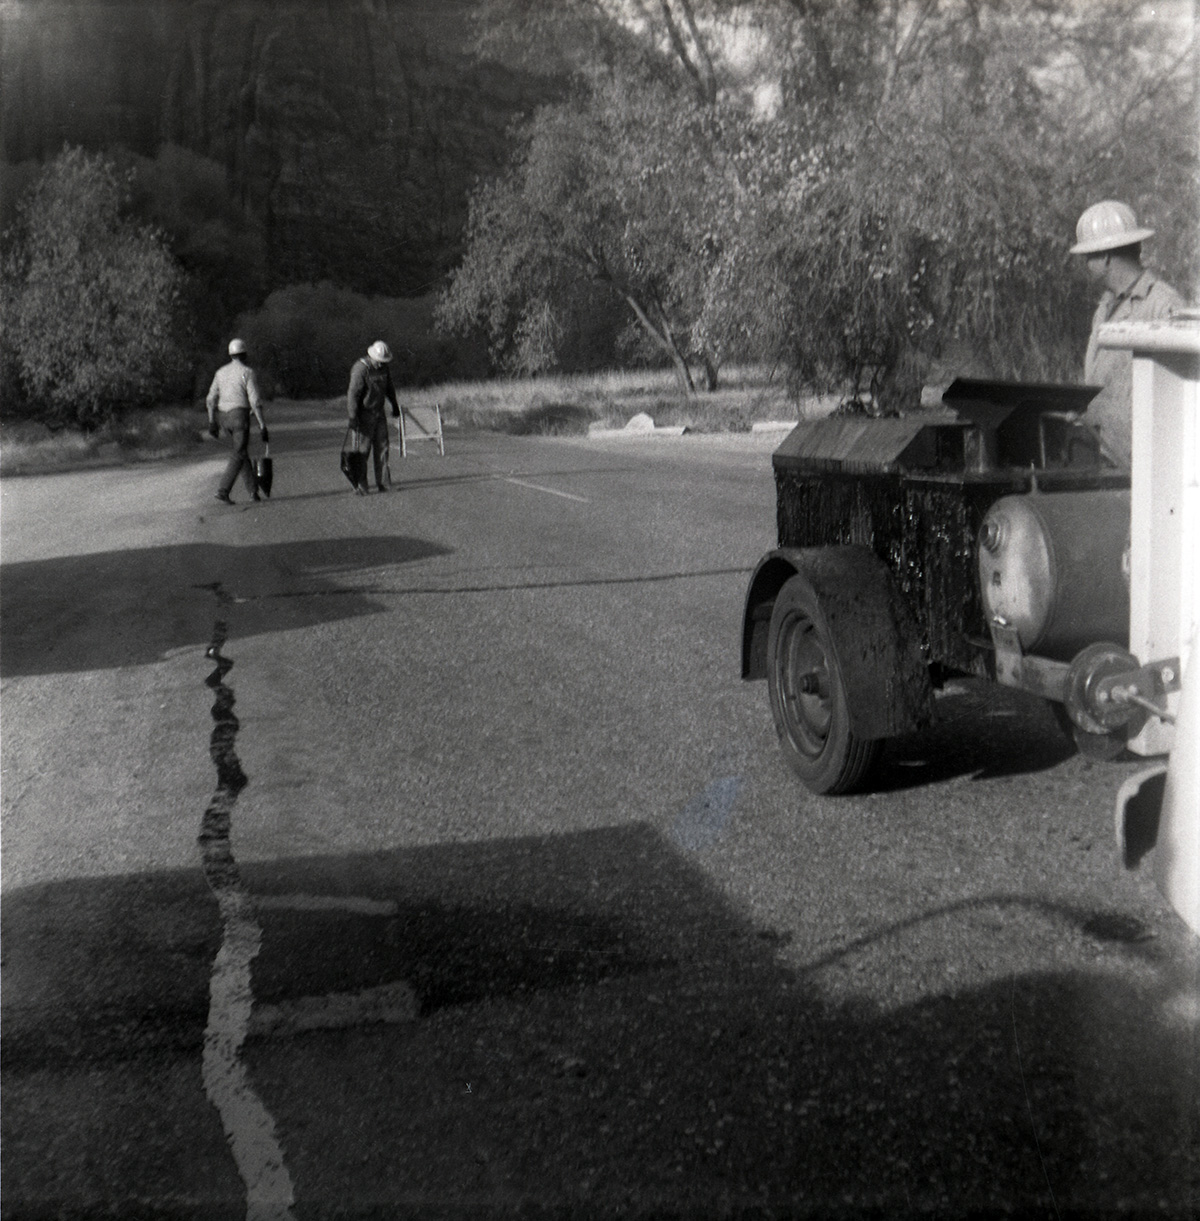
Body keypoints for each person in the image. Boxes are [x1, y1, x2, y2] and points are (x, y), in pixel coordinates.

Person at [1071, 200, 1185, 468]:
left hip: (1146, 464)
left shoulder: (1163, 305)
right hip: (1105, 456)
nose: (1087, 265)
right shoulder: (1104, 308)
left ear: (1106, 257)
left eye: (1089, 256)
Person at [206, 338, 268, 504]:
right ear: (245, 354)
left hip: (223, 418)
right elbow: (254, 401)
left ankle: (253, 492)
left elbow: (210, 399)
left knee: (241, 452)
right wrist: (262, 424)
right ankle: (223, 490)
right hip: (240, 417)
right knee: (238, 453)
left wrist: (212, 421)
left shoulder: (220, 373)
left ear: (230, 354)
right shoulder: (247, 372)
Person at [346, 340, 400, 494]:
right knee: (362, 451)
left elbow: (389, 387)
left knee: (383, 449)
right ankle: (361, 486)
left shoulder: (384, 368)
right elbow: (352, 394)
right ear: (372, 356)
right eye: (379, 361)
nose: (381, 364)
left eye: (384, 361)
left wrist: (394, 405)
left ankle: (385, 484)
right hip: (363, 415)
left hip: (379, 412)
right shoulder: (360, 368)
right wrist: (352, 416)